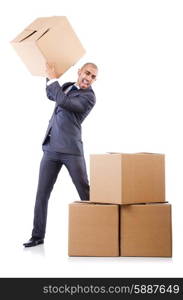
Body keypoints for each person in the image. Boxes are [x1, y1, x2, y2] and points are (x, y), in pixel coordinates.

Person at [23, 62, 98, 247]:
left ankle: (101, 229)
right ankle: (37, 236)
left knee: (85, 192)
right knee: (42, 194)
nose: (88, 78)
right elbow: (51, 94)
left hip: (72, 151)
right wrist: (49, 76)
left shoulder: (89, 97)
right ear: (79, 71)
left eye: (93, 77)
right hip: (51, 148)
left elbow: (64, 102)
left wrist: (54, 79)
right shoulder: (65, 86)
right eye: (87, 73)